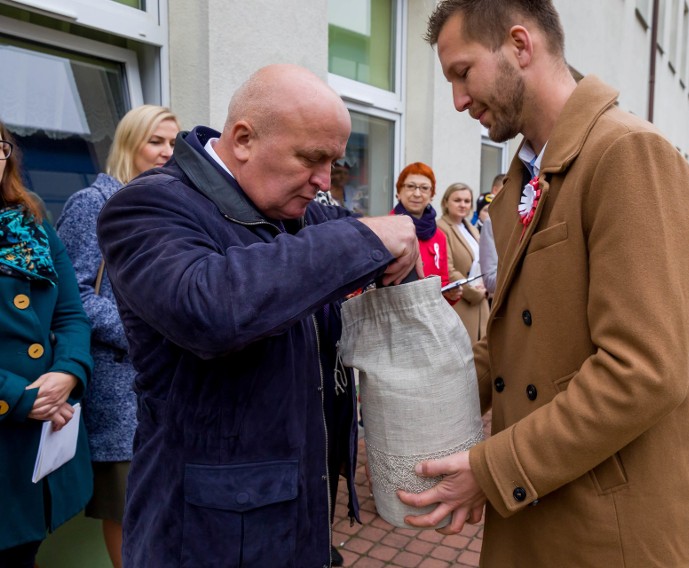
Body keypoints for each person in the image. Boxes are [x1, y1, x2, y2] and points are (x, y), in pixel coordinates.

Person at [397, 2, 689, 566]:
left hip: (615, 530)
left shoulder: (628, 154)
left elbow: (644, 369)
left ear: (520, 46)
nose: (457, 100)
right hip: (546, 502)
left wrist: (493, 469)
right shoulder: (524, 177)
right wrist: (412, 397)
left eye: (462, 72)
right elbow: (515, 343)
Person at [96, 64, 421, 568]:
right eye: (312, 159)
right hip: (203, 537)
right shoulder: (145, 205)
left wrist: (394, 249)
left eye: (333, 162)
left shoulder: (296, 207)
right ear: (244, 139)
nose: (324, 182)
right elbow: (209, 307)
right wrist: (372, 238)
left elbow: (350, 244)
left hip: (299, 522)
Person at [55, 104, 180, 568]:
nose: (168, 152)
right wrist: (144, 334)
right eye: (156, 142)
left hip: (163, 385)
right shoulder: (92, 203)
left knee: (161, 504)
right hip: (118, 387)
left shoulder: (159, 206)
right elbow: (72, 298)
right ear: (129, 143)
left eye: (173, 142)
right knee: (128, 509)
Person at [0, 120, 94, 566]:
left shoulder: (32, 224)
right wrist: (16, 397)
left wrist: (68, 371)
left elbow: (72, 314)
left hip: (41, 435)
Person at [392, 162, 462, 304]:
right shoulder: (386, 231)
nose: (417, 194)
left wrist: (451, 294)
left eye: (424, 188)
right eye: (410, 186)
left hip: (428, 319)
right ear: (398, 192)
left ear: (432, 195)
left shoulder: (439, 236)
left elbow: (443, 282)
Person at [438, 182, 490, 343]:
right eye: (457, 200)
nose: (463, 205)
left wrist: (486, 286)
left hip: (481, 300)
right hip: (462, 301)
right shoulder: (440, 227)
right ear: (446, 202)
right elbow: (448, 269)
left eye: (467, 201)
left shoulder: (471, 228)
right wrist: (474, 293)